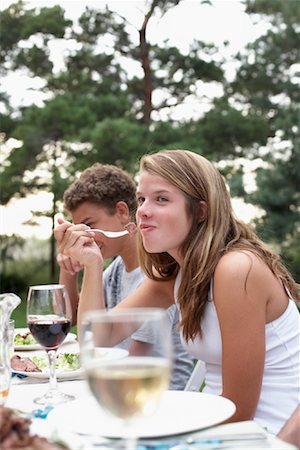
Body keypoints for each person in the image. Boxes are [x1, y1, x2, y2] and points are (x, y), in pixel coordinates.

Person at [55, 149, 300, 435]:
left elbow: (240, 409)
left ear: (200, 211)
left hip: (267, 434)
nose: (143, 210)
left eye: (161, 199)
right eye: (141, 199)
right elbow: (96, 339)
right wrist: (92, 266)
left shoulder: (236, 269)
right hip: (222, 423)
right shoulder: (176, 274)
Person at [55, 162, 194, 391]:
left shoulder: (158, 273)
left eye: (89, 225)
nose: (84, 235)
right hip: (118, 378)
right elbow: (75, 319)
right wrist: (68, 266)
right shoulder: (118, 268)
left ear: (121, 212)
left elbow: (137, 362)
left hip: (154, 391)